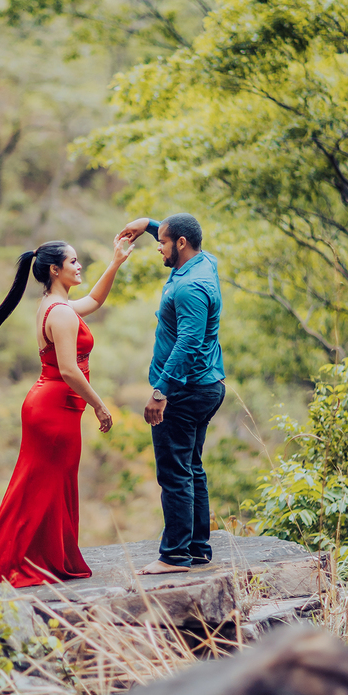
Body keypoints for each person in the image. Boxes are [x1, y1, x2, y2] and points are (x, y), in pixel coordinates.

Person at [0, 235, 134, 587]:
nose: (79, 267)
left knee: (48, 485)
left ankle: (47, 558)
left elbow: (95, 300)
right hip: (54, 408)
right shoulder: (61, 314)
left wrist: (116, 263)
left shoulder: (54, 305)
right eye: (74, 262)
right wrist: (100, 405)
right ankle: (21, 560)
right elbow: (68, 370)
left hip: (51, 405)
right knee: (40, 487)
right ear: (55, 269)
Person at [117, 214, 225, 575]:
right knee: (191, 468)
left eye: (161, 242)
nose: (157, 248)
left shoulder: (190, 287)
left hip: (185, 390)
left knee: (175, 473)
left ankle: (175, 555)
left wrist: (161, 391)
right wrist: (147, 223)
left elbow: (189, 342)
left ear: (180, 244)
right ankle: (198, 549)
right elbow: (177, 228)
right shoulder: (202, 260)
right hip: (205, 385)